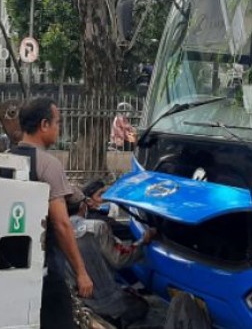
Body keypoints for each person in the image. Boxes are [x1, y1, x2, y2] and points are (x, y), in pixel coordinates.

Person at [17, 97, 94, 328]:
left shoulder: (7, 158)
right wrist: (81, 272)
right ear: (44, 125)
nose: (59, 129)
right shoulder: (49, 165)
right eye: (58, 123)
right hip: (45, 268)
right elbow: (61, 225)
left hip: (13, 262)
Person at [65, 189, 155, 327]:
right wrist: (143, 242)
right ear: (83, 206)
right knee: (143, 308)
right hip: (107, 301)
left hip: (77, 303)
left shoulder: (57, 232)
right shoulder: (97, 227)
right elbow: (119, 259)